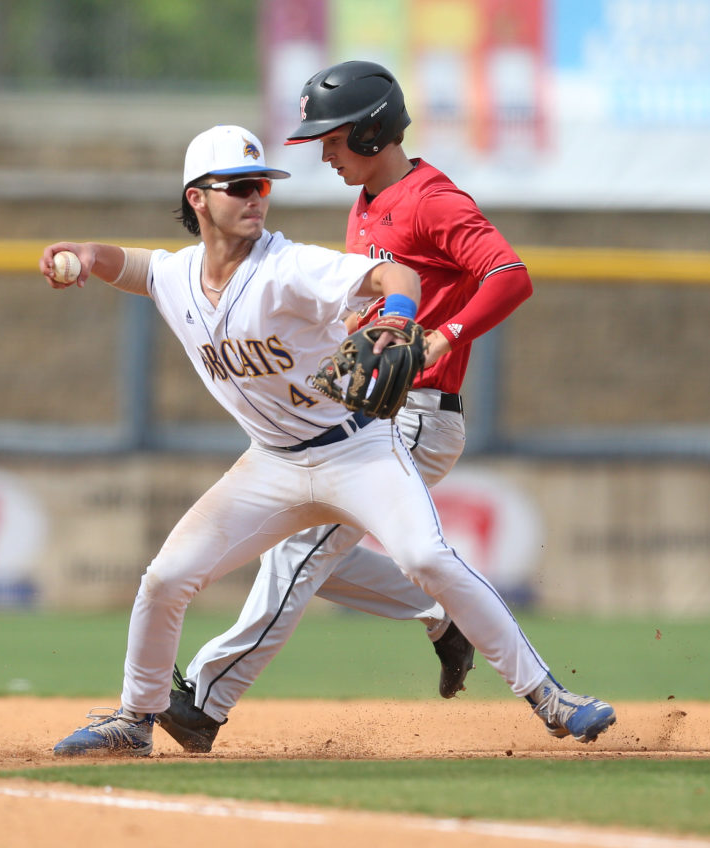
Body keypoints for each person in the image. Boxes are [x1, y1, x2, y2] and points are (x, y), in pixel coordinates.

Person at [46, 123, 616, 757]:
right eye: (238, 187)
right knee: (164, 579)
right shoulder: (178, 275)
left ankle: (549, 697)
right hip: (270, 467)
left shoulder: (289, 266)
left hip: (356, 449)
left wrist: (401, 319)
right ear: (198, 198)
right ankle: (135, 718)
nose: (255, 196)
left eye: (262, 184)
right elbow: (131, 266)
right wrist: (84, 256)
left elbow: (395, 277)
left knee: (426, 559)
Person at [158, 61, 550, 754]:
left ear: (373, 130)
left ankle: (207, 703)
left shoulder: (430, 198)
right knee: (310, 552)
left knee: (296, 559)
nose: (324, 153)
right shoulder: (367, 202)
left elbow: (508, 274)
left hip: (418, 413)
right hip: (373, 409)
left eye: (333, 139)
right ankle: (443, 615)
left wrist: (443, 334)